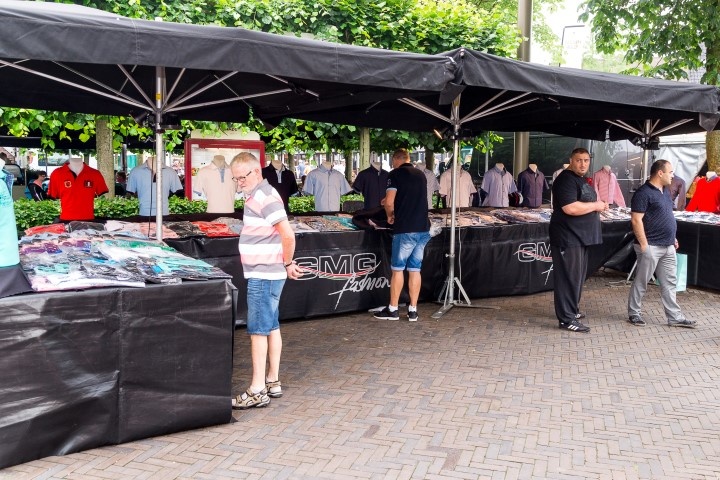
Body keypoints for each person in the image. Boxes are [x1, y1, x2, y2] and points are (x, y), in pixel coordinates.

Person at [230, 152, 302, 410]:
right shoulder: (260, 194)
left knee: (258, 331)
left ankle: (257, 389)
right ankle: (272, 381)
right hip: (267, 273)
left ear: (256, 172)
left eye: (242, 177)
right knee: (271, 326)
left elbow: (288, 235)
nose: (239, 183)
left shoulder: (264, 196)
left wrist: (288, 263)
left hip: (264, 274)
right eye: (236, 179)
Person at [627, 159, 696, 328]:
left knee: (670, 282)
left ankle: (675, 317)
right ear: (660, 173)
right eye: (670, 172)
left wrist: (673, 237)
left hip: (668, 245)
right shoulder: (643, 193)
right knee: (642, 281)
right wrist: (644, 245)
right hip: (651, 245)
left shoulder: (665, 190)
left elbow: (666, 215)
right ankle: (634, 313)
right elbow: (636, 220)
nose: (673, 175)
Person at [550, 148, 608, 333]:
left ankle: (571, 310)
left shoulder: (580, 179)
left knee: (576, 277)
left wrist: (599, 206)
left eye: (586, 160)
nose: (583, 164)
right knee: (568, 278)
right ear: (571, 160)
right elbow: (570, 208)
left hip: (580, 238)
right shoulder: (565, 180)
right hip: (568, 238)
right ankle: (566, 319)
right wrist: (596, 205)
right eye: (578, 160)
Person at [373, 148, 430, 322]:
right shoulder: (421, 175)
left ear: (396, 159)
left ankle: (393, 309)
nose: (392, 164)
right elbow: (411, 198)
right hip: (423, 228)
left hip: (405, 228)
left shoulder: (395, 174)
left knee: (397, 269)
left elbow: (389, 202)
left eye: (392, 161)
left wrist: (389, 215)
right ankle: (413, 310)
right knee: (415, 269)